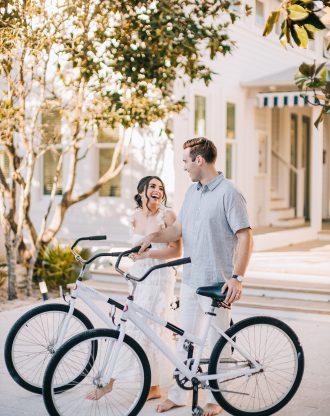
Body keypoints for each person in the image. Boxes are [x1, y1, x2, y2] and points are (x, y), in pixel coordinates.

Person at [138, 138, 253, 416]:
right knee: (186, 341)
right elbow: (177, 230)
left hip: (218, 284)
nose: (185, 166)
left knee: (217, 344)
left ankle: (216, 400)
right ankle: (179, 394)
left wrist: (237, 277)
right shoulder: (192, 192)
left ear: (199, 160)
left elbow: (245, 236)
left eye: (186, 160)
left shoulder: (229, 192)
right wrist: (152, 236)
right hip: (190, 281)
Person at [86, 175, 182, 401]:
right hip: (138, 276)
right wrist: (132, 255)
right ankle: (153, 385)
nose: (157, 190)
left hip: (159, 277)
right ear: (142, 191)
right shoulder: (135, 216)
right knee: (142, 328)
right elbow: (136, 247)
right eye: (152, 186)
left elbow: (176, 252)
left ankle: (109, 382)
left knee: (141, 329)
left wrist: (147, 254)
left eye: (161, 187)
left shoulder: (167, 216)